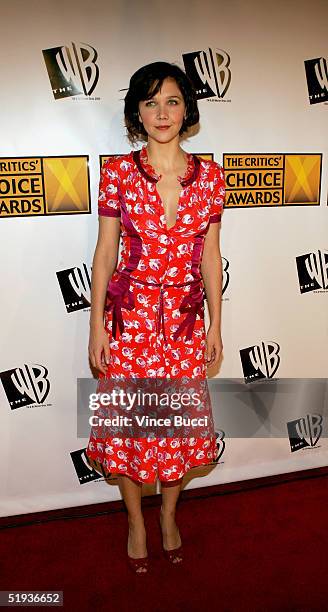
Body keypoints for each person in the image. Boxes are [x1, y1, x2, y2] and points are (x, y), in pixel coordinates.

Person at [86, 61, 225, 573]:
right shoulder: (118, 173)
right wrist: (96, 324)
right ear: (137, 114)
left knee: (178, 433)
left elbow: (210, 255)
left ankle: (167, 514)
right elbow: (105, 254)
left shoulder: (210, 177)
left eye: (171, 100)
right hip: (130, 326)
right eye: (150, 102)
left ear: (186, 107)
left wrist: (216, 324)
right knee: (129, 431)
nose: (161, 112)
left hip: (185, 331)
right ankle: (135, 521)